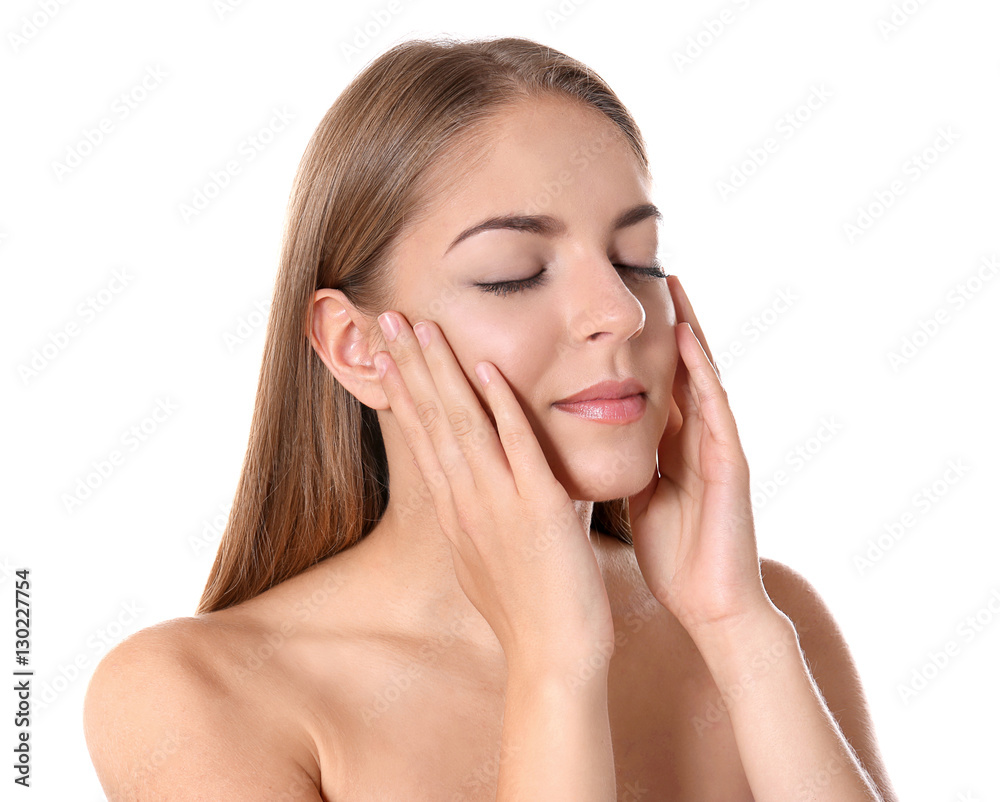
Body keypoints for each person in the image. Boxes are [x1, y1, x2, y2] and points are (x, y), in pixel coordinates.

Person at [83, 35, 898, 800]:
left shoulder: (767, 618)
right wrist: (554, 665)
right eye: (513, 273)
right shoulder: (190, 695)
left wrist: (738, 631)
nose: (619, 312)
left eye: (636, 260)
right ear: (357, 347)